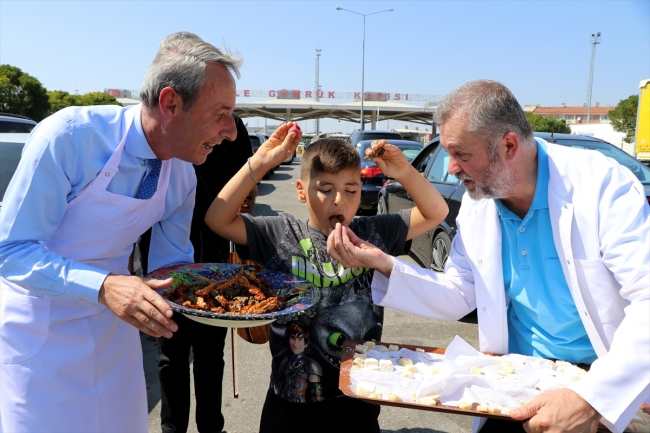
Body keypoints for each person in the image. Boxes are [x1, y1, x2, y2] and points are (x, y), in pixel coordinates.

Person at [326, 80, 650, 433]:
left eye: (461, 154)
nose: (451, 168)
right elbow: (459, 292)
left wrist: (590, 399)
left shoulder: (603, 186)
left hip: (594, 385)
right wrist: (383, 262)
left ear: (509, 145)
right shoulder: (479, 204)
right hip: (515, 382)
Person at [0, 31, 242, 433]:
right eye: (220, 113)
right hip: (39, 333)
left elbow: (170, 268)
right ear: (170, 103)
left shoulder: (182, 174)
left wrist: (222, 294)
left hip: (116, 333)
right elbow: (10, 250)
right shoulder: (69, 138)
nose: (232, 131)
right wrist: (106, 285)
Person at [205, 133, 449, 433]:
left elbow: (436, 212)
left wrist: (405, 171)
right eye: (325, 189)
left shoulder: (371, 233)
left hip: (358, 396)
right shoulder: (279, 232)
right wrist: (258, 164)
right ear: (301, 191)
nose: (339, 200)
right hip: (289, 401)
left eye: (350, 190)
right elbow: (217, 218)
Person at [154, 112, 253, 433]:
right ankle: (173, 428)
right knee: (172, 354)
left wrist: (245, 199)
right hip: (165, 260)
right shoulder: (169, 123)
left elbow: (248, 181)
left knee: (209, 354)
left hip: (216, 260)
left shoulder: (233, 127)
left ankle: (211, 427)